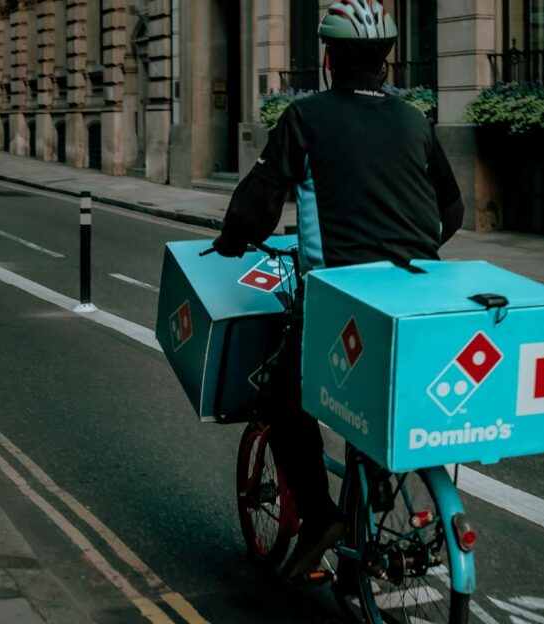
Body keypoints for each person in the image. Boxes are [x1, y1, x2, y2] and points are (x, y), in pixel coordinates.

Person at [211, 0, 464, 580]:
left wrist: (232, 241)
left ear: (328, 59)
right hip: (412, 294)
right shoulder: (414, 120)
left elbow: (257, 202)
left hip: (339, 296)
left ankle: (323, 515)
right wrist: (411, 247)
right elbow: (452, 209)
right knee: (376, 396)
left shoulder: (306, 118)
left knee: (278, 398)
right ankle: (371, 509)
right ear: (385, 63)